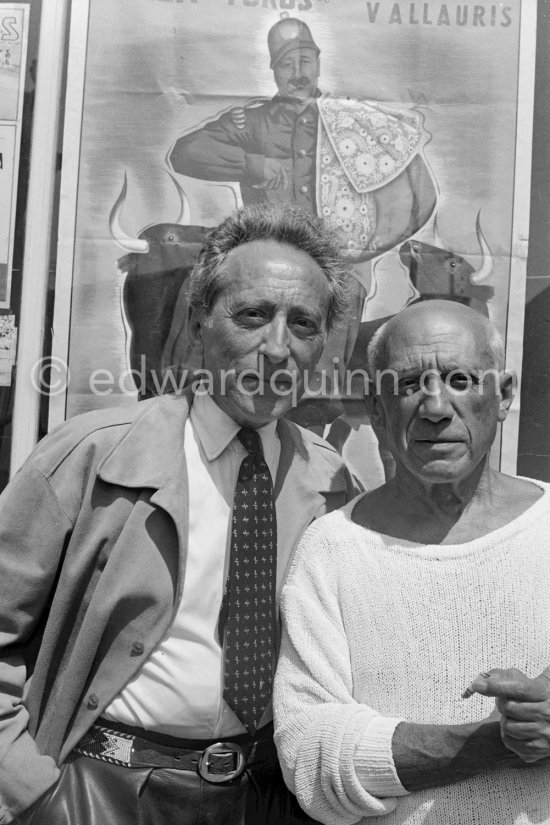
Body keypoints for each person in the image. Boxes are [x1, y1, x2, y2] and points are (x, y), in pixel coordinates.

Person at [0, 203, 359, 825]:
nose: (277, 347)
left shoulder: (331, 484)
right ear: (199, 319)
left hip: (267, 798)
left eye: (302, 324)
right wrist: (29, 791)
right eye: (252, 315)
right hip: (97, 793)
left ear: (323, 343)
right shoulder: (94, 455)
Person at [274, 298, 550, 825]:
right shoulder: (332, 549)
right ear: (375, 407)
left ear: (504, 395)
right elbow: (309, 753)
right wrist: (497, 741)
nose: (435, 408)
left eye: (461, 380)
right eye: (407, 385)